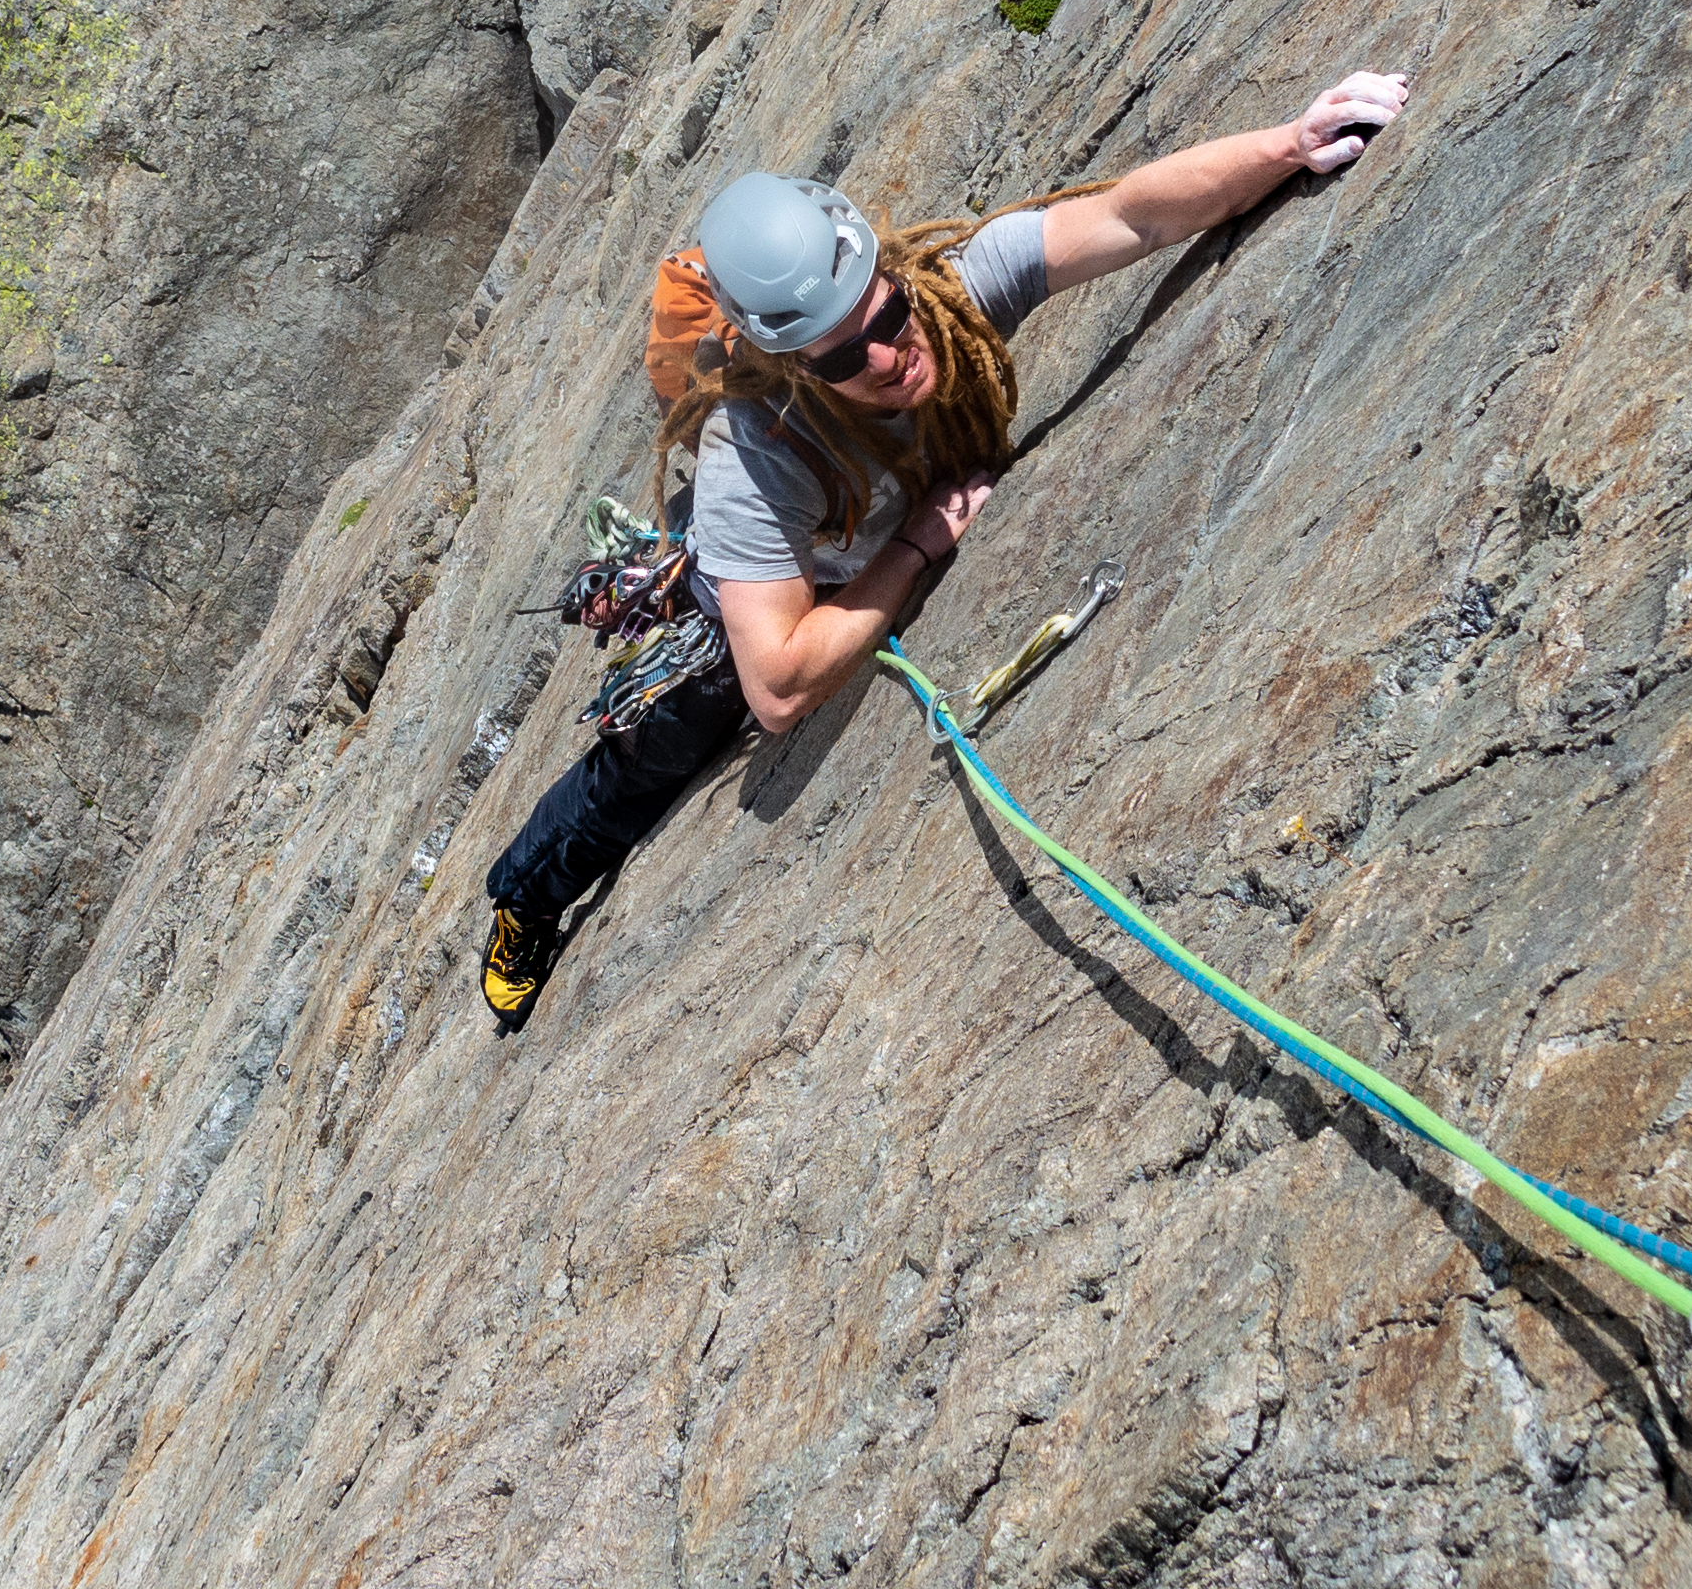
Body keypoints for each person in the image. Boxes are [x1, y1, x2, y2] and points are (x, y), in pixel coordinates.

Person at [480, 65, 1413, 1027]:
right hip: (746, 602)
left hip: (834, 544)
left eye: (885, 318)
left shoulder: (950, 297)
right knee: (649, 756)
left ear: (887, 275)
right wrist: (917, 548)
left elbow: (1135, 217)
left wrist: (1287, 145)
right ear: (796, 367)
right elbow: (781, 687)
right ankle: (525, 901)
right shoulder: (757, 457)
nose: (888, 354)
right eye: (846, 357)